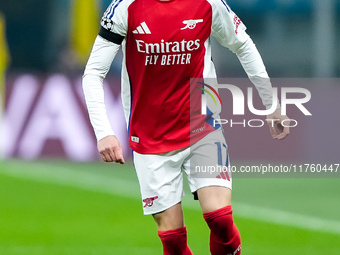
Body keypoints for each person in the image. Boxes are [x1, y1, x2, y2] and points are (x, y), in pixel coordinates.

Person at [82, 0, 290, 254]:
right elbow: (93, 73)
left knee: (220, 218)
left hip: (201, 122)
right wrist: (104, 132)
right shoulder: (126, 7)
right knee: (173, 241)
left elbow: (243, 45)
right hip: (150, 135)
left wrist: (271, 103)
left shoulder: (208, 3)